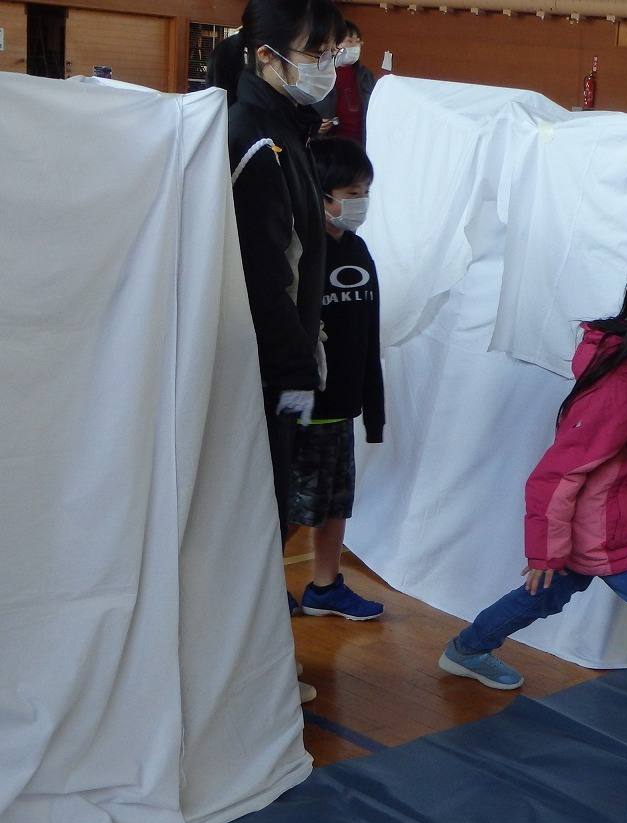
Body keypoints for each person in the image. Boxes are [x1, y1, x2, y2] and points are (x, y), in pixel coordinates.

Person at [438, 252, 627, 788]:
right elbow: (555, 474)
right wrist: (544, 549)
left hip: (621, 521)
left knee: (546, 595)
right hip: (603, 529)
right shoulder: (624, 385)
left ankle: (467, 649)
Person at [220, 0, 345, 703]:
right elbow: (263, 274)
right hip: (259, 372)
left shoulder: (287, 131)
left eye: (332, 51)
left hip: (281, 362)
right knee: (254, 521)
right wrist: (294, 368)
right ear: (266, 56)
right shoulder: (253, 139)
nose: (327, 65)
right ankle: (248, 678)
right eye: (314, 52)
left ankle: (260, 665)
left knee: (270, 519)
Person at [289, 137, 386, 620]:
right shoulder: (297, 249)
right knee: (291, 505)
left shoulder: (358, 249)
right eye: (352, 192)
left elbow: (368, 330)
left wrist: (372, 406)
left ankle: (325, 587)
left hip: (342, 405)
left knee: (335, 502)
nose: (361, 201)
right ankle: (255, 588)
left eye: (365, 191)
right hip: (301, 407)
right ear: (322, 193)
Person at [315, 19, 377, 144]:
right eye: (349, 41)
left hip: (361, 142)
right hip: (330, 143)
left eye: (357, 42)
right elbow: (302, 109)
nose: (355, 46)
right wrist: (314, 125)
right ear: (334, 44)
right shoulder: (319, 73)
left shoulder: (366, 75)